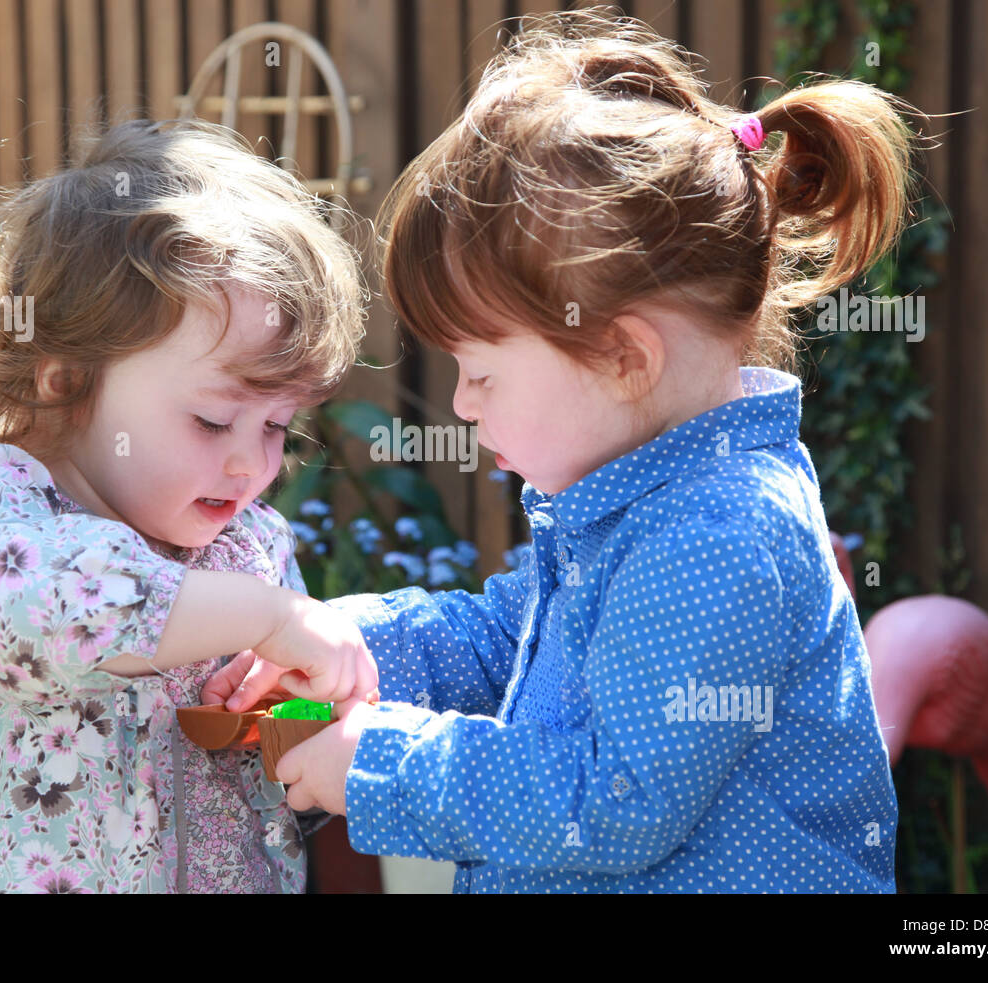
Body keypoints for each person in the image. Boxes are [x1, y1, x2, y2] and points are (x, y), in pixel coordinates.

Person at [208, 10, 924, 892]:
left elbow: (611, 798)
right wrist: (356, 641)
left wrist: (380, 763)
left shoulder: (716, 536)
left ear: (623, 356)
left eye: (481, 370)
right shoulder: (645, 496)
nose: (463, 404)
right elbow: (518, 641)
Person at [0, 117, 377, 893]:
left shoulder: (249, 547)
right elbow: (69, 608)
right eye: (212, 419)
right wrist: (271, 619)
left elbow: (288, 768)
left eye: (279, 426)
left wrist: (302, 712)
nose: (252, 462)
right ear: (67, 376)